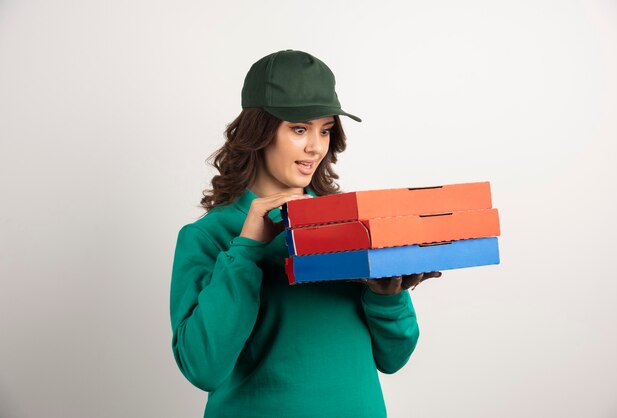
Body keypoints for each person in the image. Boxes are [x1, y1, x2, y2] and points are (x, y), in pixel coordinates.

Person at [169, 49, 442, 418]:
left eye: (325, 130)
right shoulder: (208, 237)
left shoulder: (351, 226)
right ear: (259, 132)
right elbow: (203, 368)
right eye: (299, 129)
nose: (315, 147)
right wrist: (247, 250)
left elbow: (393, 359)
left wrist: (386, 297)